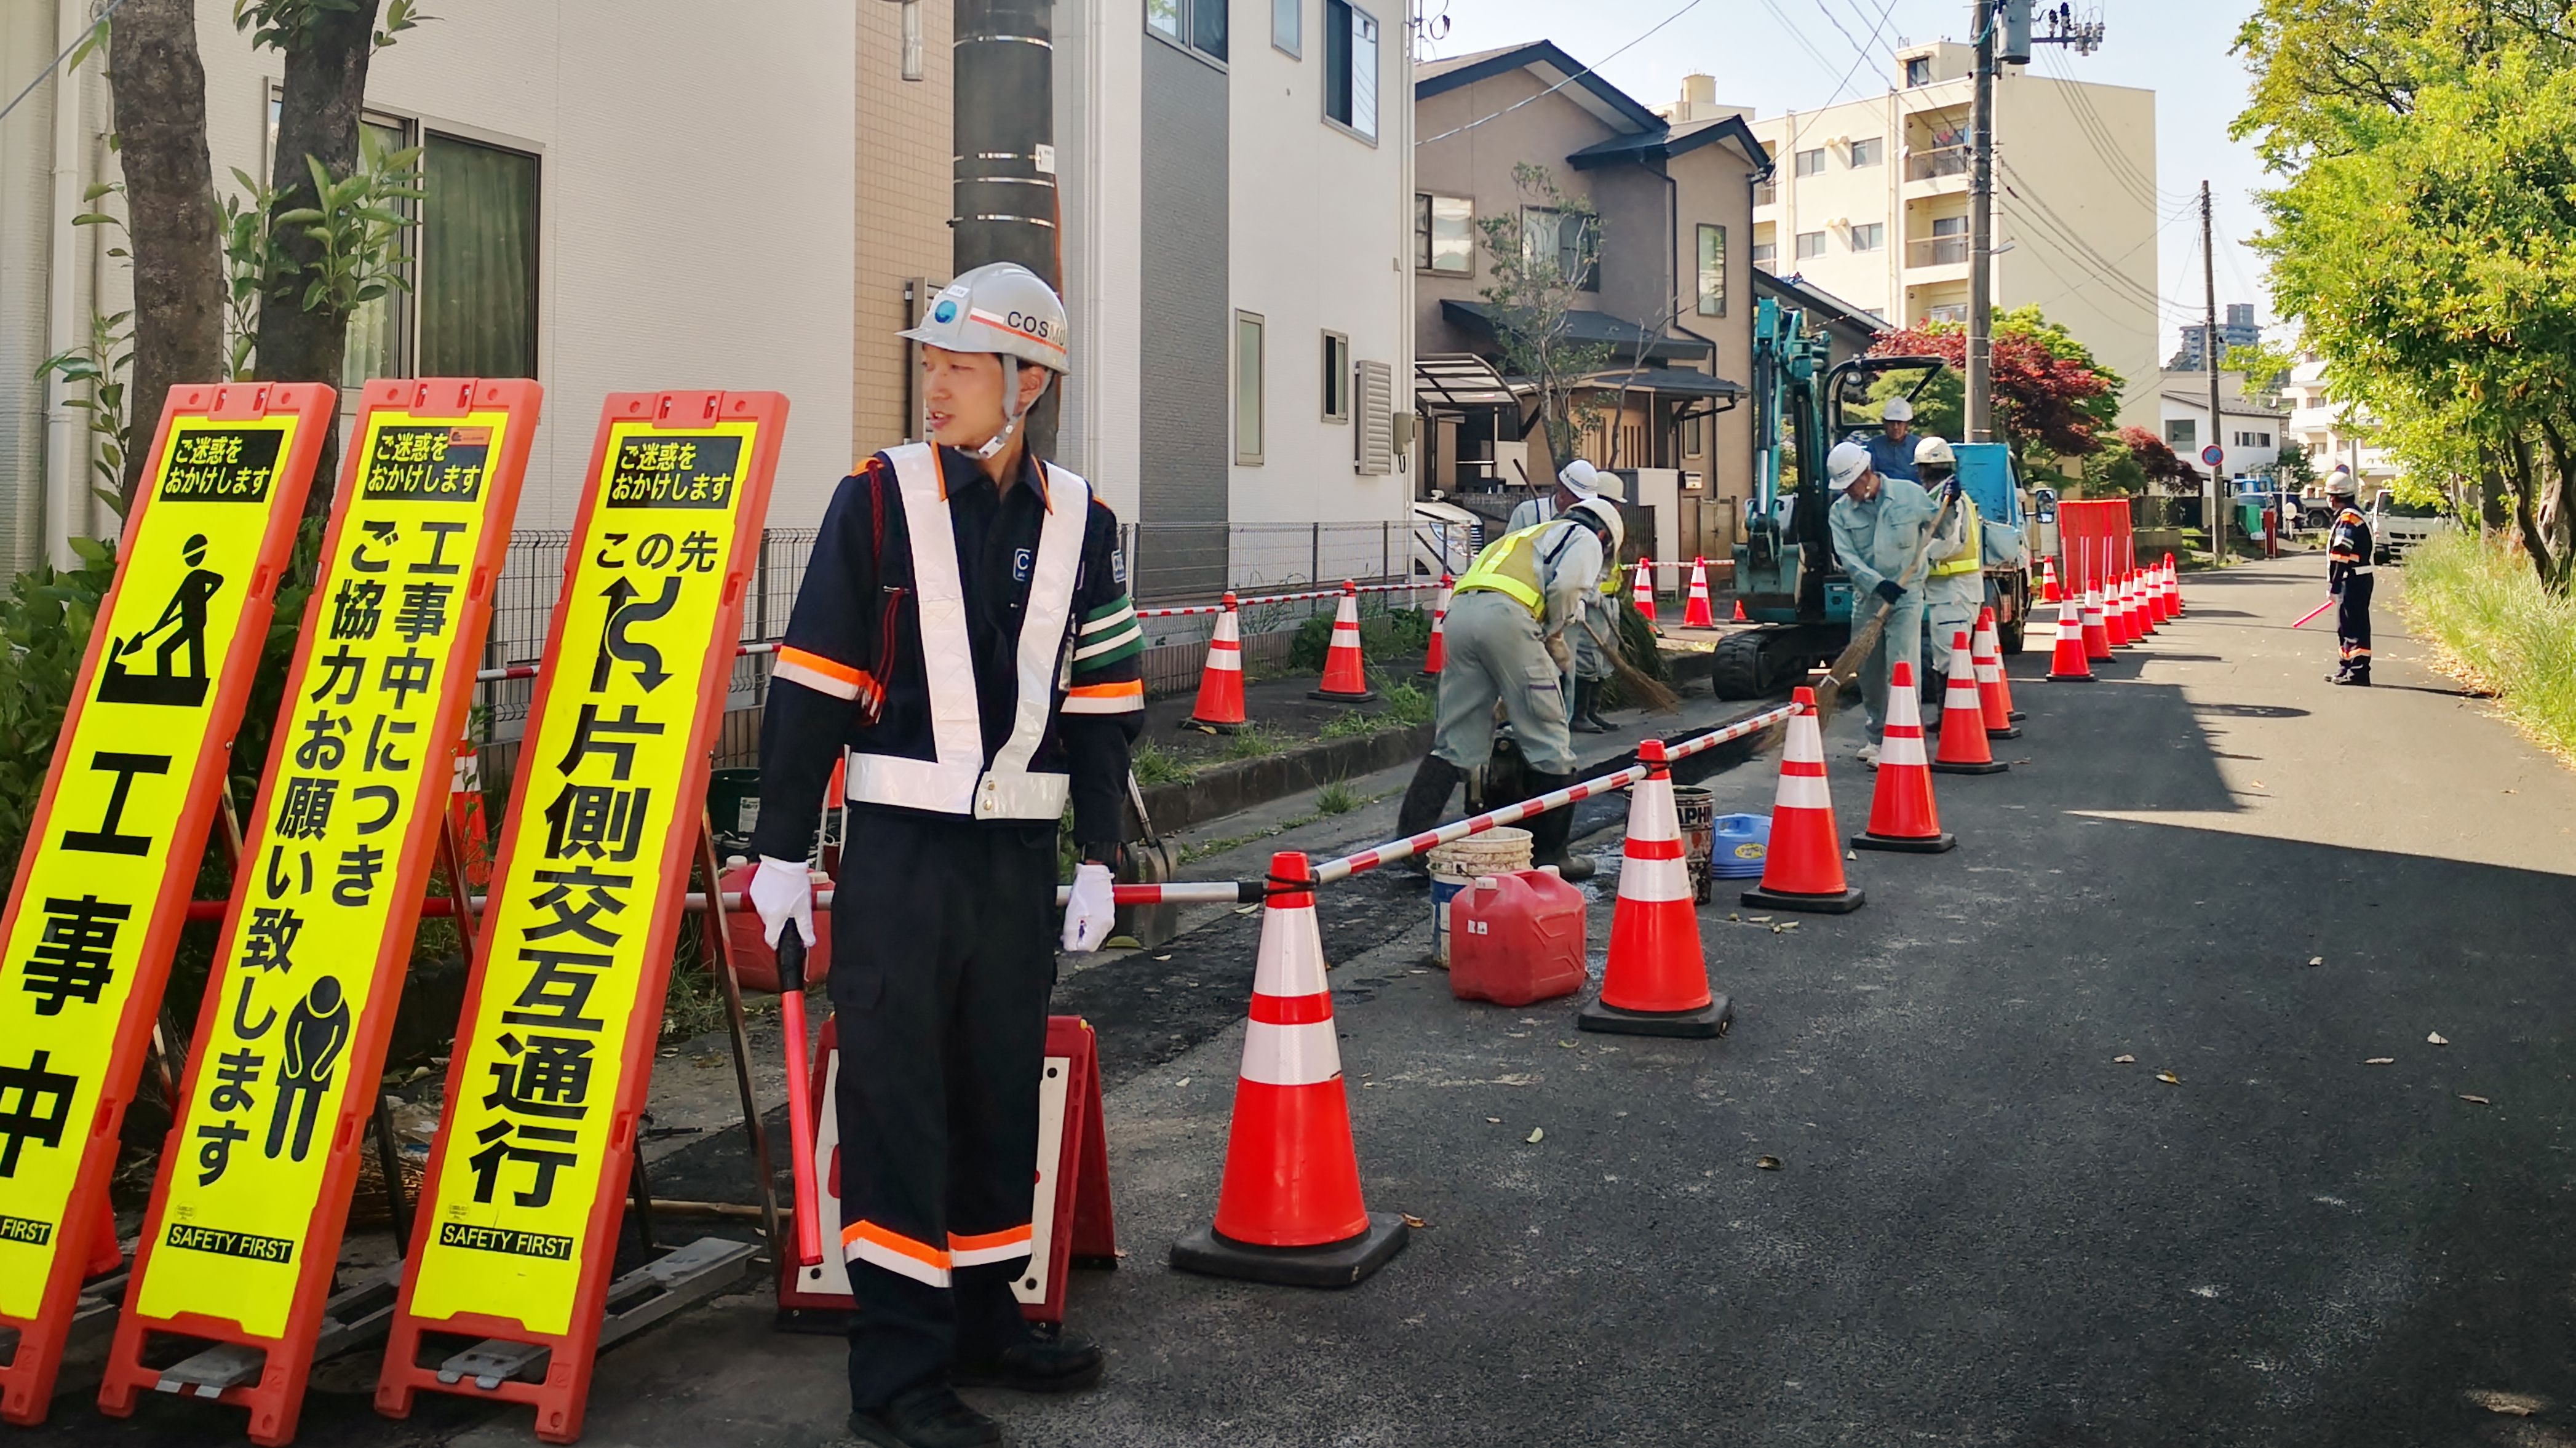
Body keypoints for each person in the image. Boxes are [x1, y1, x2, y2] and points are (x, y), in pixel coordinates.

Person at [747, 263, 1140, 1448]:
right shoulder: (875, 500)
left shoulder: (1083, 521)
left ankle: (984, 1319)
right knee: (899, 1105)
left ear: (1027, 384)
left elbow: (1104, 704)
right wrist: (776, 853)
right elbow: (811, 686)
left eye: (959, 367)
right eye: (929, 361)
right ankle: (897, 1379)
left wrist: (1099, 855)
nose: (934, 385)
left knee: (993, 1092)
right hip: (900, 859)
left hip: (1015, 865)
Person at [1394, 494, 1626, 880]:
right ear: (1603, 535)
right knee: (1548, 735)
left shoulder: (1528, 536)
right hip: (1509, 620)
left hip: (1460, 617)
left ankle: (1412, 843)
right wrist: (1553, 630)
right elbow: (1568, 586)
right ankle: (1552, 856)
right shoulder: (1584, 537)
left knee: (1457, 741)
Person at [1826, 440, 1942, 765]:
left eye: (1849, 484)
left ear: (1866, 474)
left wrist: (1953, 501)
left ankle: (1903, 736)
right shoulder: (1840, 512)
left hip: (1906, 597)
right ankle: (1876, 736)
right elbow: (1847, 558)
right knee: (1870, 671)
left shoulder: (1910, 495)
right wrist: (1877, 584)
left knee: (1901, 667)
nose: (1847, 491)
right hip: (1868, 599)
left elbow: (1941, 526)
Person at [1912, 436, 1980, 691]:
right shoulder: (1940, 497)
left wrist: (1919, 559)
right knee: (1946, 660)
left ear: (1923, 469)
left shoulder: (1952, 500)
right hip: (1949, 592)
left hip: (1954, 592)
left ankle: (1958, 722)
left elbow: (1950, 542)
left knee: (1952, 661)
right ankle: (1949, 718)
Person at [2326, 472, 2373, 685]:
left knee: (2354, 627)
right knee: (2345, 626)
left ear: (2334, 497)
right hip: (2356, 579)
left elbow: (2340, 555)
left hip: (2352, 579)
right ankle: (2345, 668)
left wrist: (2334, 586)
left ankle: (2358, 673)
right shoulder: (2354, 515)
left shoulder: (2348, 519)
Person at [1507, 457, 1602, 534]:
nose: (1581, 503)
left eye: (1585, 500)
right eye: (1577, 497)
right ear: (1562, 488)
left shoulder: (1589, 522)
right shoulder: (1526, 513)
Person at [1862, 395, 1921, 485]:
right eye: (1891, 422)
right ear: (1885, 423)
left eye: (1899, 422)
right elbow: (1869, 476)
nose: (1895, 427)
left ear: (1907, 424)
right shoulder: (1874, 446)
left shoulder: (1919, 446)